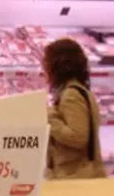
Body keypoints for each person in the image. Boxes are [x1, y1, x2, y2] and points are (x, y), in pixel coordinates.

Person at [43, 38, 107, 179]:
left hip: (75, 176)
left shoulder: (72, 94)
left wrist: (49, 117)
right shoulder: (78, 90)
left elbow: (78, 137)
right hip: (79, 175)